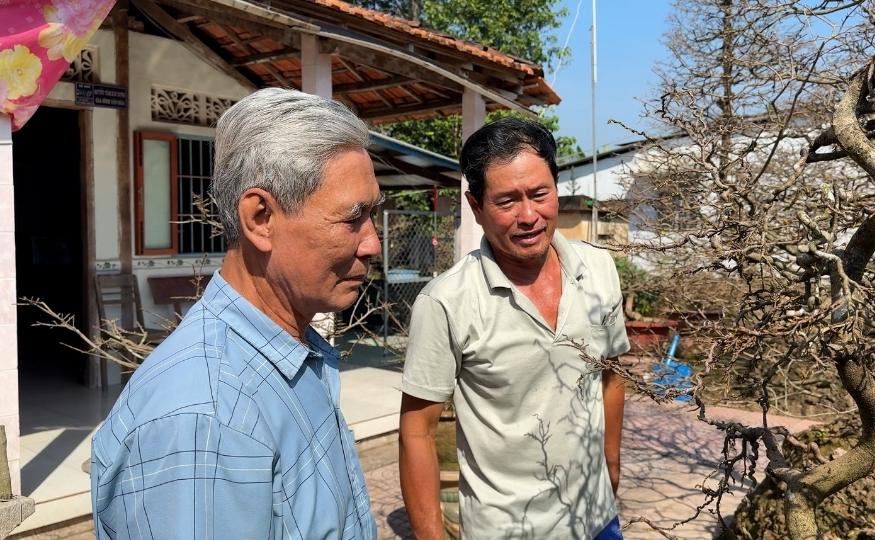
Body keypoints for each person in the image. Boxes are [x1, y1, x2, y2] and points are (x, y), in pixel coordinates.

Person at [90, 88, 381, 539]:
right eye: (353, 218)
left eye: (372, 214)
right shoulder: (204, 419)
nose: (372, 243)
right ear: (261, 217)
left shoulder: (290, 357)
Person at [398, 117, 630, 539]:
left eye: (540, 194)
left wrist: (611, 466)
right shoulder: (446, 303)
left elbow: (612, 376)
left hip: (597, 520)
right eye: (506, 202)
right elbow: (417, 431)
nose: (529, 216)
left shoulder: (598, 270)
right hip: (507, 529)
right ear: (476, 206)